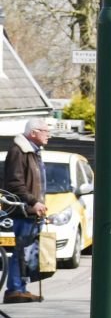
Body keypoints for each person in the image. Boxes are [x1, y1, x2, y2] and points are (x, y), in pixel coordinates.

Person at [3, 118, 51, 305]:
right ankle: (14, 289)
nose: (48, 135)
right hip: (22, 211)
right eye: (45, 131)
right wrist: (34, 202)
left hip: (31, 211)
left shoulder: (33, 151)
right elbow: (15, 183)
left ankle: (21, 288)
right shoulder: (19, 151)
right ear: (33, 133)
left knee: (26, 252)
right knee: (20, 251)